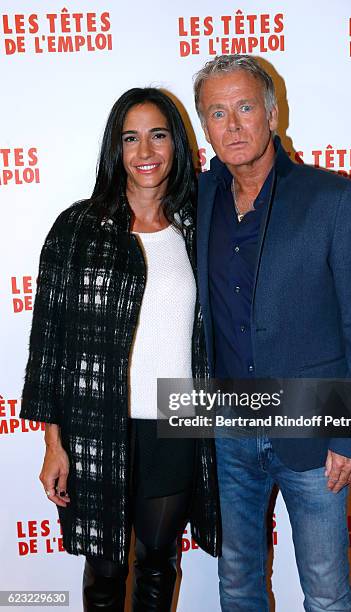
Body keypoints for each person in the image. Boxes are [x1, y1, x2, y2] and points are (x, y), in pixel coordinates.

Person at [193, 55, 351, 611]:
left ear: (273, 114)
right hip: (229, 433)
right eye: (217, 113)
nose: (232, 125)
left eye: (245, 108)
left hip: (314, 432)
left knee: (327, 594)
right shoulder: (201, 199)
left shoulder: (335, 198)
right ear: (205, 126)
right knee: (237, 587)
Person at [20, 87, 220, 612]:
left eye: (157, 135)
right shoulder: (78, 229)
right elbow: (49, 343)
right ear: (116, 149)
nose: (145, 151)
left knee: (158, 564)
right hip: (95, 423)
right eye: (131, 138)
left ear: (176, 144)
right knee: (104, 570)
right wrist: (53, 442)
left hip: (177, 421)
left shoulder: (198, 227)